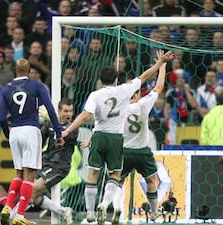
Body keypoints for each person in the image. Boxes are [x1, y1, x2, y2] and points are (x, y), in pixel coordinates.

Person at [61, 50, 174, 225]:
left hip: (103, 138)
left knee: (94, 175)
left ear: (100, 80)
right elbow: (147, 80)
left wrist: (68, 132)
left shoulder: (96, 95)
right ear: (116, 79)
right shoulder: (128, 94)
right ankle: (148, 212)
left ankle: (92, 212)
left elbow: (85, 116)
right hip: (124, 143)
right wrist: (160, 64)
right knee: (122, 177)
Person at [0, 58, 64, 225]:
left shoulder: (6, 90)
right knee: (30, 175)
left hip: (15, 131)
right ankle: (19, 216)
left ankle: (7, 206)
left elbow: (1, 118)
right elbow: (49, 108)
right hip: (30, 130)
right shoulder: (37, 86)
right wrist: (58, 132)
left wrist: (7, 133)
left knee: (18, 173)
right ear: (29, 71)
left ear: (15, 70)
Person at [111, 59, 168, 224]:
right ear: (136, 95)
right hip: (142, 151)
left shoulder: (119, 109)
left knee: (118, 181)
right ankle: (154, 211)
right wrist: (162, 67)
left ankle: (117, 208)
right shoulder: (143, 104)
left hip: (124, 151)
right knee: (151, 180)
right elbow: (158, 87)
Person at [9, 98, 77, 224]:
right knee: (32, 194)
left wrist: (51, 119)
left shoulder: (72, 127)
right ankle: (64, 211)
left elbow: (61, 136)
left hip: (59, 166)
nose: (69, 114)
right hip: (44, 162)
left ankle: (11, 218)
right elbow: (39, 139)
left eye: (70, 111)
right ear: (59, 111)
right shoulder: (49, 124)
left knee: (32, 190)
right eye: (66, 111)